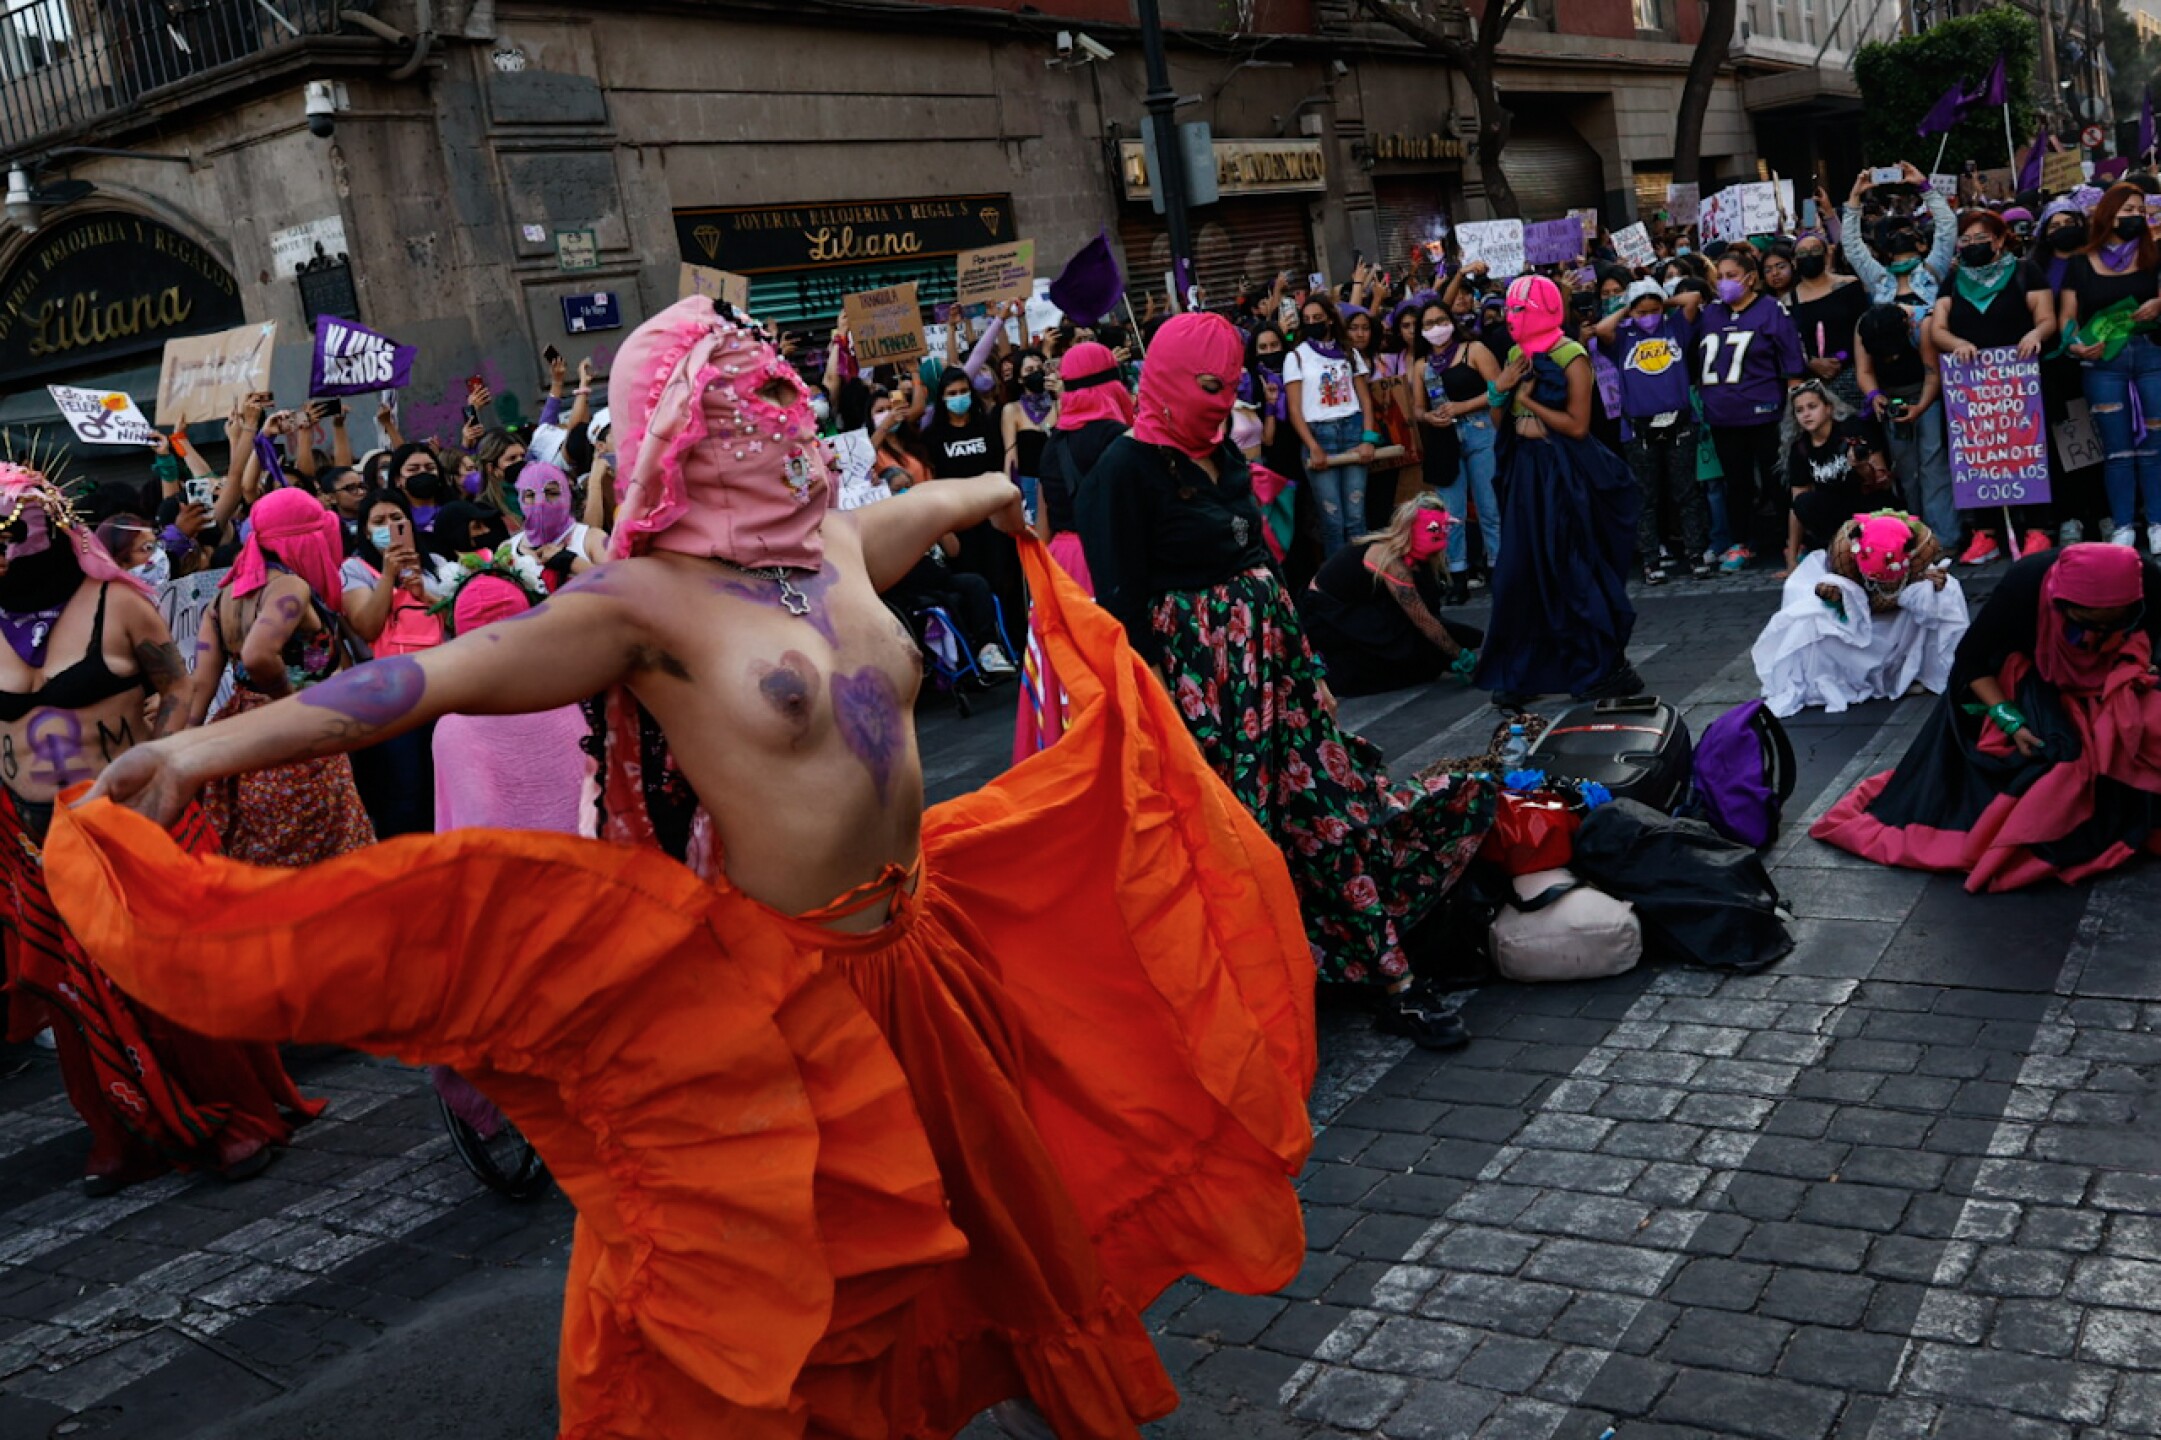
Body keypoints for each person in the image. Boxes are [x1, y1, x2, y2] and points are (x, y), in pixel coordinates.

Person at [53, 294, 1314, 1438]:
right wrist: (204, 749)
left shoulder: (829, 550)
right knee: (810, 1295)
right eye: (744, 395)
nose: (784, 412)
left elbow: (923, 510)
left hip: (923, 963)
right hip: (786, 1010)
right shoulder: (640, 606)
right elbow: (410, 686)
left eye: (783, 390)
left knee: (993, 1226)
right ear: (673, 426)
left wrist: (990, 497)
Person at [1079, 310, 1498, 1050]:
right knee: (1235, 842)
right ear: (1171, 380)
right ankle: (1257, 997)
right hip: (1203, 695)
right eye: (1208, 386)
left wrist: (1306, 669)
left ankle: (1388, 977)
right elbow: (1118, 606)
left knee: (1330, 813)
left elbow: (1262, 565)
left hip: (1277, 676)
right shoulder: (1121, 469)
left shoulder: (1223, 451)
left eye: (1233, 386)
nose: (1221, 401)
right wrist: (1158, 710)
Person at [0, 467, 322, 1196]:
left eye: (18, 530)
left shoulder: (117, 603)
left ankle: (233, 1113)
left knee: (168, 978)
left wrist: (165, 753)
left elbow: (178, 687)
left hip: (131, 820)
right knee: (77, 997)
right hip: (35, 841)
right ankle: (118, 1130)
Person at [1812, 542, 2161, 891]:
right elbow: (1971, 662)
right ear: (2059, 603)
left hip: (2109, 673)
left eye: (2113, 625)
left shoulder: (2147, 581)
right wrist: (2010, 719)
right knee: (2059, 758)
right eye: (2085, 625)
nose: (2095, 636)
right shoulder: (2026, 585)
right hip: (2020, 676)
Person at [1476, 276, 1645, 707]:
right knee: (1518, 571)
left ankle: (1605, 667)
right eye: (1509, 309)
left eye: (1519, 309)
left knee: (1569, 569)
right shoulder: (1515, 354)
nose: (1511, 318)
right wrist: (1502, 387)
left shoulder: (1571, 355)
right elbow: (1501, 422)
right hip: (1524, 474)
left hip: (1561, 475)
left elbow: (1577, 425)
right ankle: (1523, 672)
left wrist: (1530, 403)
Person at [188, 485, 378, 866]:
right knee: (334, 877)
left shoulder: (223, 598)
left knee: (273, 880)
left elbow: (199, 693)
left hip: (244, 749)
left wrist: (183, 758)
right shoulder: (289, 586)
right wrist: (293, 706)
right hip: (298, 747)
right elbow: (260, 655)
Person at [1016, 342, 1129, 758]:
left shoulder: (1052, 443)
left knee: (1072, 672)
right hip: (1109, 559)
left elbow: (1042, 526)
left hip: (1062, 565)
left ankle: (1076, 756)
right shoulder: (1122, 439)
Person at [1926, 209, 2057, 564]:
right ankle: (1985, 533)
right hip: (1971, 385)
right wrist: (1956, 344)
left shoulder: (2026, 272)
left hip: (2019, 382)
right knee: (1978, 455)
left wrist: (2035, 333)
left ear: (1999, 240)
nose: (1972, 246)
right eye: (1965, 240)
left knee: (2025, 450)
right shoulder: (1952, 281)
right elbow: (1937, 328)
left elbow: (2047, 318)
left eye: (1980, 239)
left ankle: (2037, 529)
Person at [1753, 509, 1968, 718]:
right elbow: (1857, 598)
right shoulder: (1844, 551)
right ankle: (1838, 678)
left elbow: (1920, 590)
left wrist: (1931, 586)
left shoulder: (1921, 549)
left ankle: (1920, 670)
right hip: (1858, 608)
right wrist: (1837, 594)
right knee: (1810, 622)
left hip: (1900, 603)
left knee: (1946, 592)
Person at [2057, 183, 2161, 555]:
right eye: (2126, 210)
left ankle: (2156, 522)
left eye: (2139, 211)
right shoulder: (2080, 263)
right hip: (2103, 364)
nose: (2134, 217)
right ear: (2108, 214)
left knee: (2154, 445)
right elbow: (2067, 320)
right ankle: (2122, 526)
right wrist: (2076, 345)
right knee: (2116, 449)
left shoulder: (2154, 254)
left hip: (2151, 357)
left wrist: (2158, 305)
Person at [1297, 496, 1482, 695]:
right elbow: (1423, 620)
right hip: (1328, 617)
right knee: (1401, 654)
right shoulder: (1391, 560)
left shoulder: (1412, 557)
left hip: (1358, 604)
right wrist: (1457, 654)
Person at [341, 489, 444, 839]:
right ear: (366, 532)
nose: (390, 525)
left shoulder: (439, 566)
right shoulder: (355, 569)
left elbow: (460, 623)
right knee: (405, 789)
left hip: (443, 688)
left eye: (397, 518)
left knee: (441, 785)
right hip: (391, 696)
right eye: (379, 521)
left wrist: (424, 593)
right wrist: (388, 576)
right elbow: (367, 626)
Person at [1697, 246, 1806, 571]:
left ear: (1751, 278)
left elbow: (1791, 359)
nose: (1724, 283)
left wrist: (1794, 403)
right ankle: (1740, 542)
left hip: (1764, 409)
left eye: (1731, 276)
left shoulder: (1770, 309)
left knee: (1776, 480)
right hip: (1722, 414)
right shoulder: (1710, 313)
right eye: (1720, 277)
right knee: (1737, 483)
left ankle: (1793, 542)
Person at [1595, 279, 1712, 584]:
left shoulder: (1674, 327)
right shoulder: (1623, 337)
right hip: (1639, 430)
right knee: (1646, 497)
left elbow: (1693, 298)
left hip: (1680, 423)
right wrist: (1626, 309)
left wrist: (1663, 300)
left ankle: (1696, 554)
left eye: (1653, 310)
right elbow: (1601, 330)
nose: (1648, 315)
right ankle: (1651, 559)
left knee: (1686, 492)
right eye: (1642, 311)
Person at [1408, 297, 1502, 601]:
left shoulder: (1472, 350)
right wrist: (1428, 417)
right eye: (1428, 324)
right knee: (1451, 512)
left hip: (1479, 430)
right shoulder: (1421, 366)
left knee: (1489, 506)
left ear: (1452, 321)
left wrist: (1464, 405)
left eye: (1440, 321)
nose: (1435, 329)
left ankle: (1498, 566)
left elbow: (1499, 388)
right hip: (1443, 438)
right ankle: (1457, 575)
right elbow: (1417, 408)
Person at [927, 364, 1024, 638]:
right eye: (952, 393)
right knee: (976, 585)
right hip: (960, 524)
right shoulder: (934, 438)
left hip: (993, 519)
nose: (959, 397)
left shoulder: (988, 426)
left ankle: (1014, 640)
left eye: (963, 391)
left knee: (1004, 581)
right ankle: (985, 642)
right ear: (943, 398)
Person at [1282, 292, 1378, 557]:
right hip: (1318, 434)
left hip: (1352, 430)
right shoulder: (1296, 357)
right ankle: (1339, 586)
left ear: (1330, 320)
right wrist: (1312, 445)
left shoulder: (1350, 354)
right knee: (1332, 520)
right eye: (1307, 319)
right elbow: (1294, 409)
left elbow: (1365, 399)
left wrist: (1369, 438)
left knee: (1356, 517)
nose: (1313, 322)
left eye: (1318, 317)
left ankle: (1361, 578)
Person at [1780, 380, 1892, 571]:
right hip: (1833, 513)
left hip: (1867, 505)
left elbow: (1882, 481)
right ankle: (1837, 550)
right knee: (1803, 502)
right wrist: (1792, 560)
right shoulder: (1800, 447)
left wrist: (1860, 467)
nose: (1806, 414)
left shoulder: (1851, 429)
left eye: (1812, 407)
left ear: (1828, 408)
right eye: (1799, 410)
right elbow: (1796, 507)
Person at [1787, 226, 1871, 413]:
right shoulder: (1787, 302)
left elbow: (1864, 329)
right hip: (1814, 387)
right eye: (1802, 252)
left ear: (1826, 255)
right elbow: (1788, 344)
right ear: (1794, 261)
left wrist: (1845, 359)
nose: (1809, 255)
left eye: (1815, 250)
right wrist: (1810, 362)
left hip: (1855, 376)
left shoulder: (1849, 286)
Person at [498, 459, 608, 588]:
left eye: (551, 493)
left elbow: (622, 587)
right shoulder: (508, 548)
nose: (540, 503)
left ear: (567, 495)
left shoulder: (591, 539)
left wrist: (572, 562)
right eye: (530, 495)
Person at [1001, 349, 1057, 523]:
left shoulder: (1059, 405)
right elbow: (1011, 455)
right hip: (1029, 483)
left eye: (1040, 369)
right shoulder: (1012, 410)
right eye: (1030, 370)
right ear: (1020, 378)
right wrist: (1011, 494)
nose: (1036, 374)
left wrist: (1062, 392)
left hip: (1057, 479)